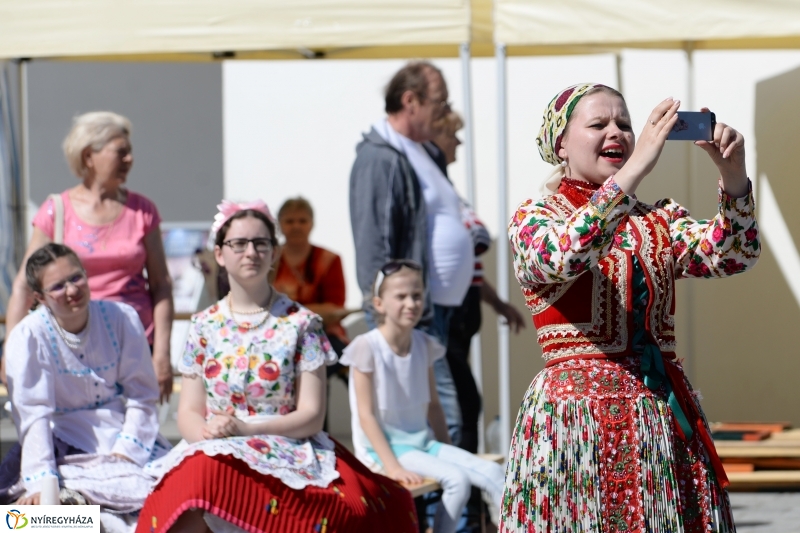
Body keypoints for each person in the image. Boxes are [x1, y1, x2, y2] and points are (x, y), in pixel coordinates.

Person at [501, 83, 760, 531]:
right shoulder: (535, 218)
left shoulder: (656, 220)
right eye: (599, 124)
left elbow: (733, 252)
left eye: (624, 123)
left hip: (657, 416)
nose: (617, 132)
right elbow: (562, 256)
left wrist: (733, 176)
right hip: (576, 426)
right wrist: (634, 172)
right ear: (561, 142)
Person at [137, 201, 418, 533]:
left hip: (284, 445)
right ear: (219, 254)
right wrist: (208, 437)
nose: (250, 252)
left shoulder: (301, 323)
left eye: (261, 243)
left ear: (275, 253)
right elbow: (189, 412)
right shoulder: (203, 324)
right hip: (211, 447)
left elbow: (311, 415)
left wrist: (245, 431)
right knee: (187, 492)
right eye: (238, 244)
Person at [1, 111, 174, 403]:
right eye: (121, 152)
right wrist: (11, 352)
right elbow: (24, 285)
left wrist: (162, 356)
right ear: (88, 156)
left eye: (130, 152)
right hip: (69, 351)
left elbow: (162, 285)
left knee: (133, 437)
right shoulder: (57, 210)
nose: (130, 159)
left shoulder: (143, 211)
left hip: (132, 347)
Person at [0, 243, 170, 530]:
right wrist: (42, 482)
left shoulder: (120, 317)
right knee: (22, 521)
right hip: (59, 445)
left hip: (121, 439)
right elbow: (33, 416)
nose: (71, 290)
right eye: (58, 286)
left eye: (76, 277)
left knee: (165, 504)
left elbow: (143, 396)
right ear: (39, 297)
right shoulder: (28, 336)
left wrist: (126, 451)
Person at [349, 61, 470, 445]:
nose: (445, 109)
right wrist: (388, 311)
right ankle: (441, 505)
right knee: (441, 418)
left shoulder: (422, 153)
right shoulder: (381, 158)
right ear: (410, 101)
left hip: (435, 312)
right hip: (410, 317)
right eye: (440, 100)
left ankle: (450, 502)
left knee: (452, 412)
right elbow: (375, 246)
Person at [341, 260, 504, 533]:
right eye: (401, 296)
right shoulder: (366, 347)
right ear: (379, 304)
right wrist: (391, 467)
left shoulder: (423, 344)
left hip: (424, 444)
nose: (411, 303)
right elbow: (366, 416)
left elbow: (434, 407)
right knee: (458, 481)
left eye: (416, 295)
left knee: (495, 474)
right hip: (387, 451)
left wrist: (447, 448)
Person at [430, 111, 527, 454]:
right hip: (444, 316)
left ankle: (467, 499)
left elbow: (467, 263)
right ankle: (462, 503)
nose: (458, 142)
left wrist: (498, 303)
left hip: (463, 315)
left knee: (465, 404)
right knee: (459, 406)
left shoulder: (447, 189)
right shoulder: (431, 190)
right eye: (452, 135)